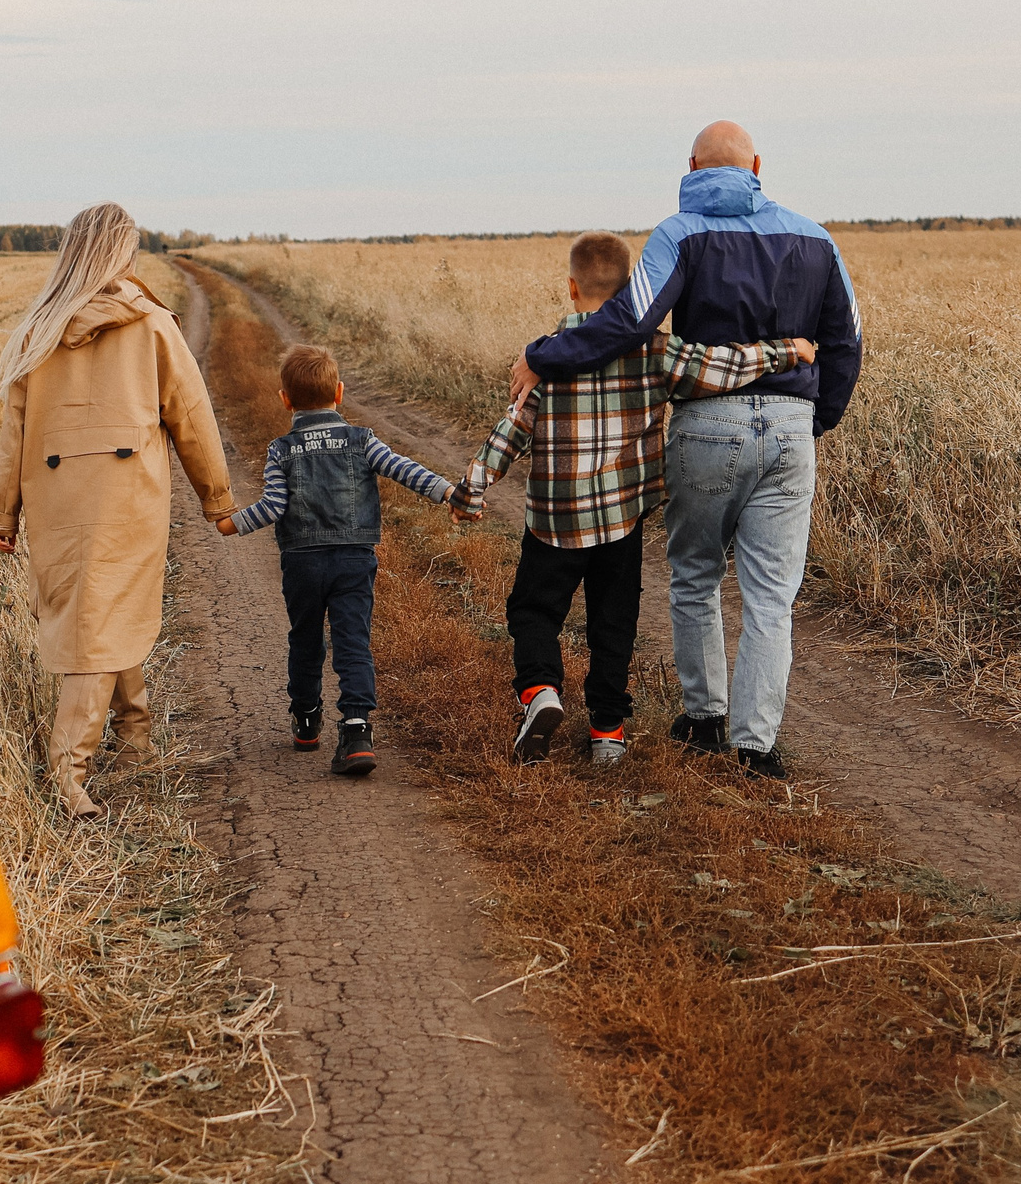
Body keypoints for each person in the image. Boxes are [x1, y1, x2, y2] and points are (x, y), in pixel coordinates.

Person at [509, 123, 862, 778]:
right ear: (757, 164)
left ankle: (703, 721)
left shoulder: (680, 232)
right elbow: (846, 340)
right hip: (790, 426)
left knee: (696, 575)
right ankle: (755, 749)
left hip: (707, 428)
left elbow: (630, 320)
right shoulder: (817, 238)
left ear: (692, 166)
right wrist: (815, 420)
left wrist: (542, 354)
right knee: (771, 594)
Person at [455, 232, 813, 768]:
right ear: (630, 293)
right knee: (612, 625)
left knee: (533, 611)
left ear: (571, 288)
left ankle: (541, 694)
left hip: (554, 520)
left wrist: (474, 485)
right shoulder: (654, 350)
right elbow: (721, 366)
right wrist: (789, 350)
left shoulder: (547, 357)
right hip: (620, 523)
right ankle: (608, 732)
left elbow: (512, 429)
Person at [0, 203, 235, 819]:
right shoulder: (152, 325)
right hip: (128, 498)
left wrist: (3, 515)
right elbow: (192, 419)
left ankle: (136, 737)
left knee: (97, 615)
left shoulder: (38, 332)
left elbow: (11, 437)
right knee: (100, 624)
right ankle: (67, 769)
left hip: (56, 501)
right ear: (121, 254)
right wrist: (218, 500)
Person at [216, 344, 456, 777]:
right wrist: (447, 492)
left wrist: (232, 524)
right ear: (340, 392)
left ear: (284, 399)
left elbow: (272, 506)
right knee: (352, 643)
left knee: (305, 638)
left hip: (302, 564)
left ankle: (307, 721)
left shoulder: (280, 451)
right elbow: (402, 468)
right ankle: (358, 731)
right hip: (352, 560)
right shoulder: (362, 441)